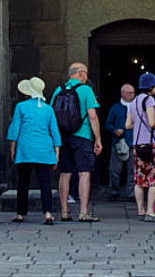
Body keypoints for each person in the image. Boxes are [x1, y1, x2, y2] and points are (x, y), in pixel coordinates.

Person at [6, 75, 61, 224]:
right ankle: (48, 213)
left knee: (23, 181)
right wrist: (57, 153)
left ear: (27, 92)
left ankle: (21, 213)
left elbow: (15, 128)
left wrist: (13, 148)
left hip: (25, 149)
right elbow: (54, 132)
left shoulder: (21, 107)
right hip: (44, 149)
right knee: (45, 182)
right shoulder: (48, 109)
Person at [51, 63, 102, 223]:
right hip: (82, 136)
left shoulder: (58, 90)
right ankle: (84, 212)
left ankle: (65, 211)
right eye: (85, 73)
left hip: (63, 137)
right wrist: (98, 139)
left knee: (65, 173)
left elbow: (52, 115)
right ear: (81, 74)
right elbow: (92, 116)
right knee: (84, 173)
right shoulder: (86, 89)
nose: (86, 76)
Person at [130, 72, 155, 219]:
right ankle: (150, 211)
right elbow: (152, 123)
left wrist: (140, 124)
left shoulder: (133, 102)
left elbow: (128, 124)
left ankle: (140, 210)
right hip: (152, 144)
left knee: (139, 178)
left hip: (137, 144)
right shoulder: (150, 100)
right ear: (151, 87)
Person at [106, 83, 135, 201]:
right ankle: (114, 191)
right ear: (122, 94)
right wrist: (114, 130)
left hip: (133, 142)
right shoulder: (115, 108)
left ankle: (131, 194)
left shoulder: (136, 106)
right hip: (118, 142)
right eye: (129, 93)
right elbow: (107, 124)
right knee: (114, 170)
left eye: (133, 93)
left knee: (132, 170)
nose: (132, 96)